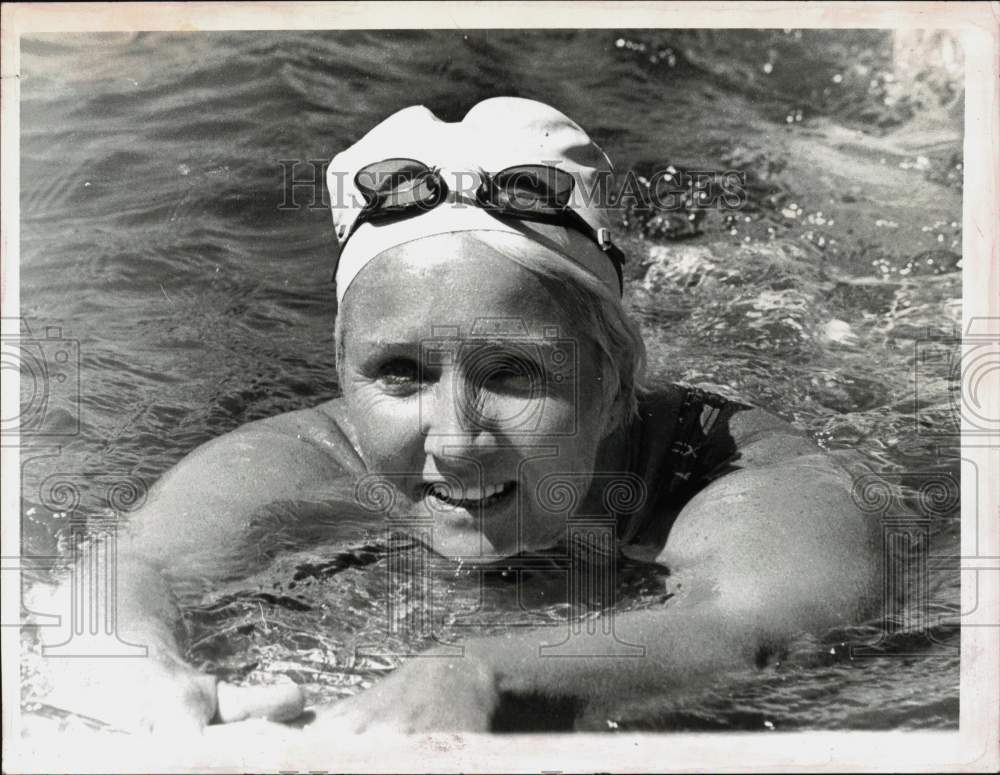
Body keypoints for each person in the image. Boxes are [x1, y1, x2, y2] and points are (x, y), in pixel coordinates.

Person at [35, 97, 878, 735]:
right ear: (341, 371)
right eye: (398, 373)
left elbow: (755, 630)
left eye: (514, 373)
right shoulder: (316, 453)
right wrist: (130, 662)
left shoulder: (728, 475)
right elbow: (133, 565)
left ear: (617, 381)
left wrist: (481, 676)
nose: (454, 438)